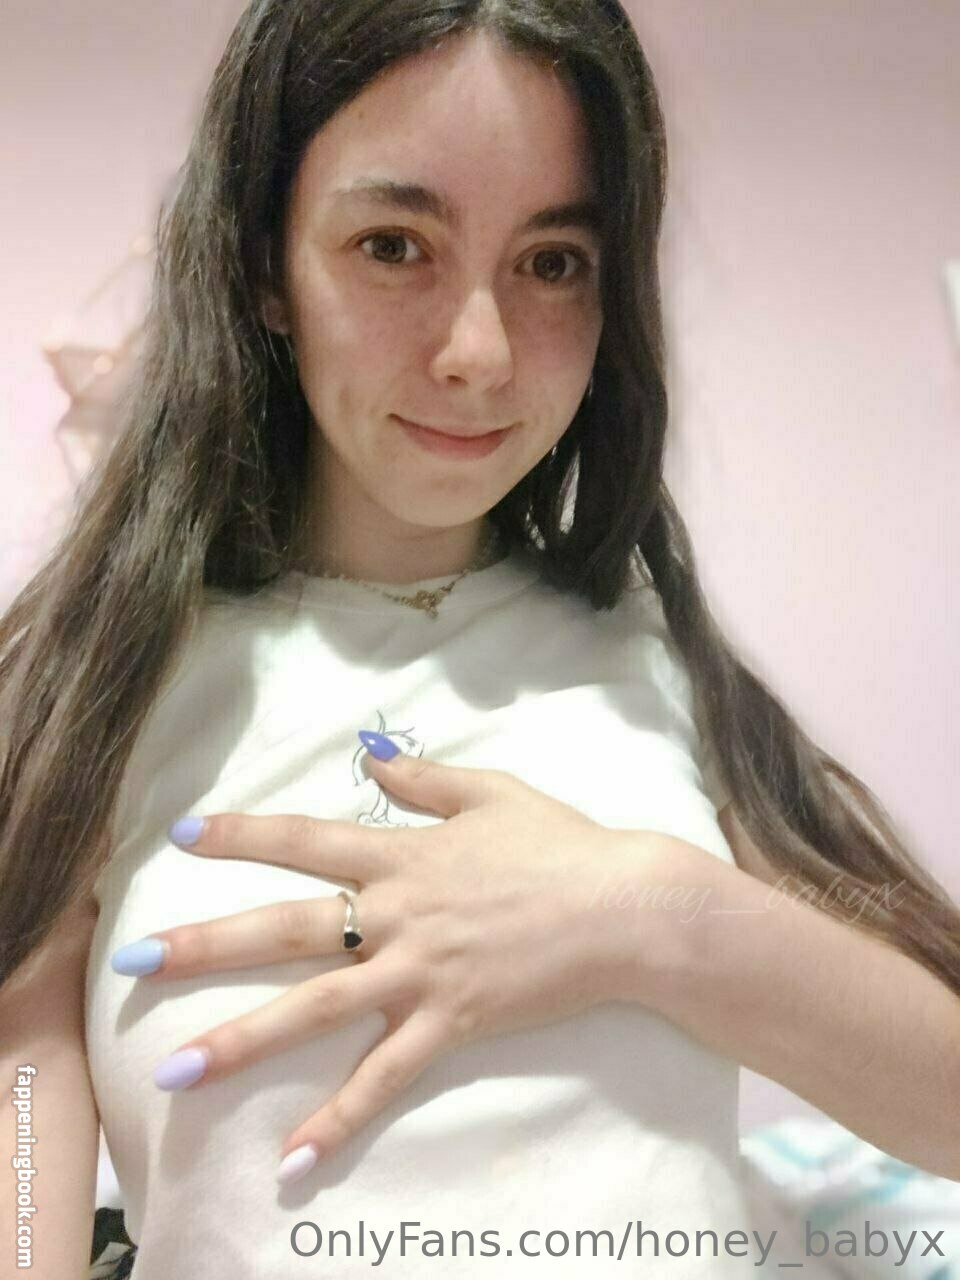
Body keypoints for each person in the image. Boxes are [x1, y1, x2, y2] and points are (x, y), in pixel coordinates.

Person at [1, 2, 958, 1276]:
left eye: (552, 262)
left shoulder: (656, 655)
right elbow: (21, 1104)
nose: (480, 352)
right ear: (263, 265)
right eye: (394, 245)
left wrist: (639, 909)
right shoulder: (95, 684)